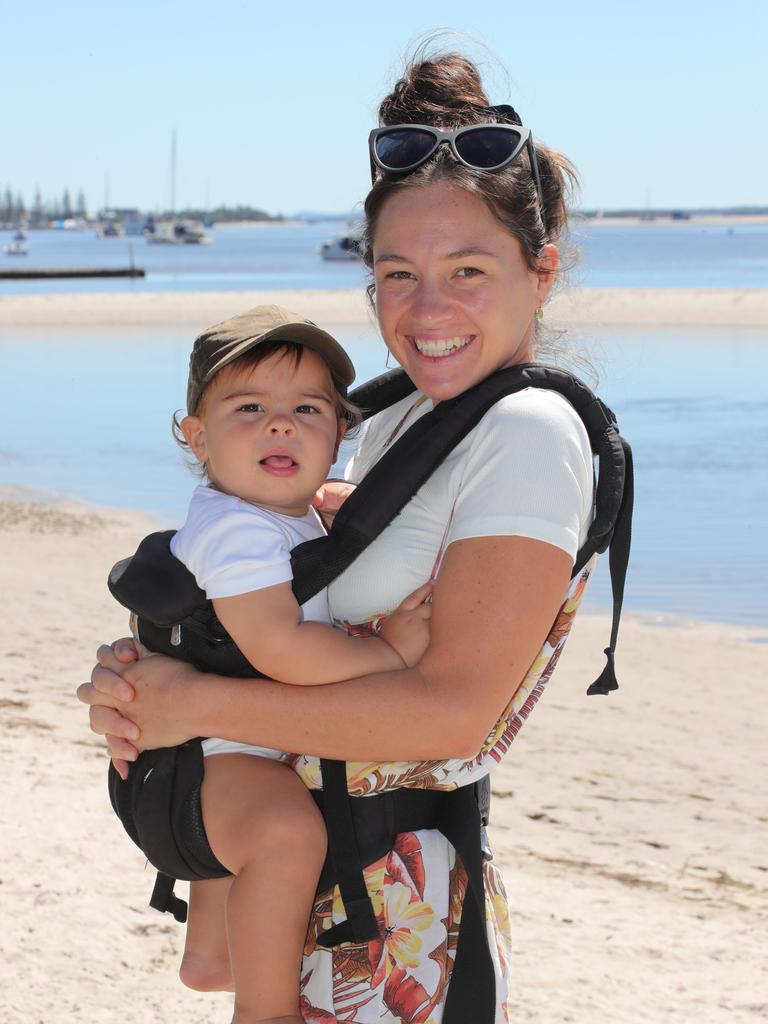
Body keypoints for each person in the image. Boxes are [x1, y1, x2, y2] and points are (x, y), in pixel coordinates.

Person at [80, 51, 599, 1023]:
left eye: (469, 271)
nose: (427, 309)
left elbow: (449, 716)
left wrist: (194, 702)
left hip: (400, 919)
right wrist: (152, 675)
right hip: (321, 895)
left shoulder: (525, 435)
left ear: (542, 271)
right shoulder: (408, 415)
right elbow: (277, 572)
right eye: (398, 273)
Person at [115, 304, 433, 1024]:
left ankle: (210, 955)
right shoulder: (233, 530)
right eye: (249, 406)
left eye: (308, 409)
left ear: (340, 434)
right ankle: (264, 1010)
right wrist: (384, 653)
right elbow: (278, 646)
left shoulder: (274, 512)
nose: (280, 424)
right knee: (287, 834)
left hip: (219, 748)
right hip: (214, 763)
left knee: (275, 805)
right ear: (196, 436)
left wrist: (331, 505)